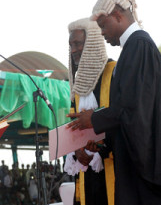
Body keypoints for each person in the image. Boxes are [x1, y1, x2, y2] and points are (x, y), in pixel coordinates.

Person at [68, 0, 161, 205]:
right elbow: (130, 114)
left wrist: (94, 119)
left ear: (118, 15)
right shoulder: (135, 47)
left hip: (149, 177)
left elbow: (133, 109)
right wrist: (102, 146)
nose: (101, 33)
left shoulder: (139, 46)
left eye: (103, 25)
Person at [64, 18, 115, 205]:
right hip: (86, 170)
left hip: (114, 166)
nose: (73, 50)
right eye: (70, 45)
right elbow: (72, 125)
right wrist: (76, 149)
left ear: (93, 43)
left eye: (77, 43)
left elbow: (123, 117)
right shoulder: (78, 85)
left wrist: (100, 148)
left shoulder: (115, 72)